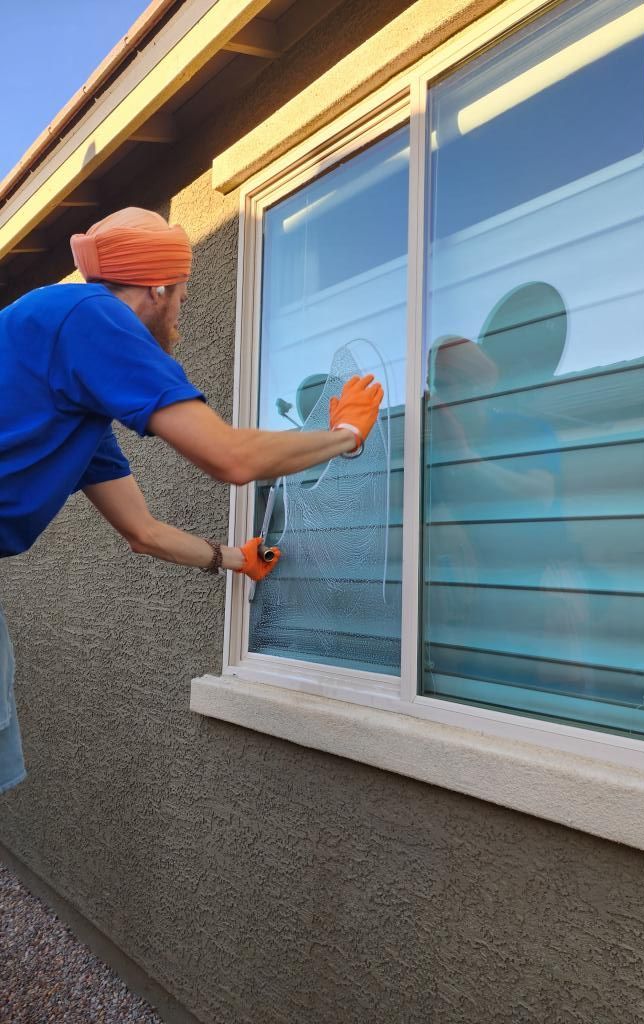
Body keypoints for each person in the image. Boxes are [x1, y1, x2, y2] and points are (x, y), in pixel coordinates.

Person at [0, 207, 383, 795]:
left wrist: (236, 560)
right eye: (181, 293)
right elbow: (229, 457)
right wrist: (345, 437)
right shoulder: (92, 316)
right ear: (156, 288)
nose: (182, 311)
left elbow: (142, 531)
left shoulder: (73, 389)